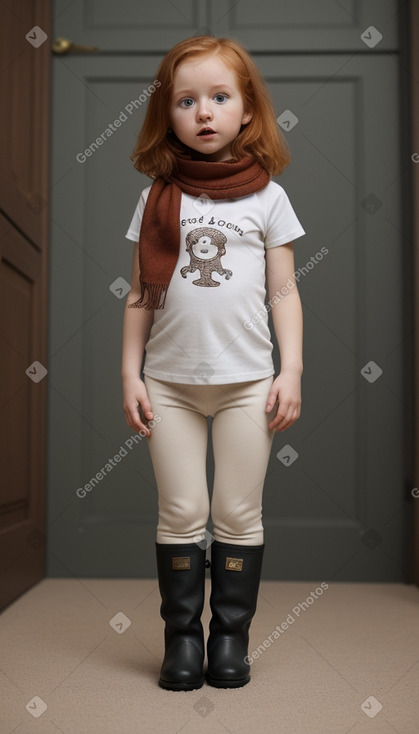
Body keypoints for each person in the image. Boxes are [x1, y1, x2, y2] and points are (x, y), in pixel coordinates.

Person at [121, 35, 306, 692]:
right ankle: (181, 641)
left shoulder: (267, 198)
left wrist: (290, 371)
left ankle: (229, 641)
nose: (203, 112)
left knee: (236, 513)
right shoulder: (155, 198)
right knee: (179, 511)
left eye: (219, 97)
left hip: (247, 383)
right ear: (167, 115)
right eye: (186, 101)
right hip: (169, 385)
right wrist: (130, 373)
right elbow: (142, 292)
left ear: (247, 111)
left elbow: (282, 289)